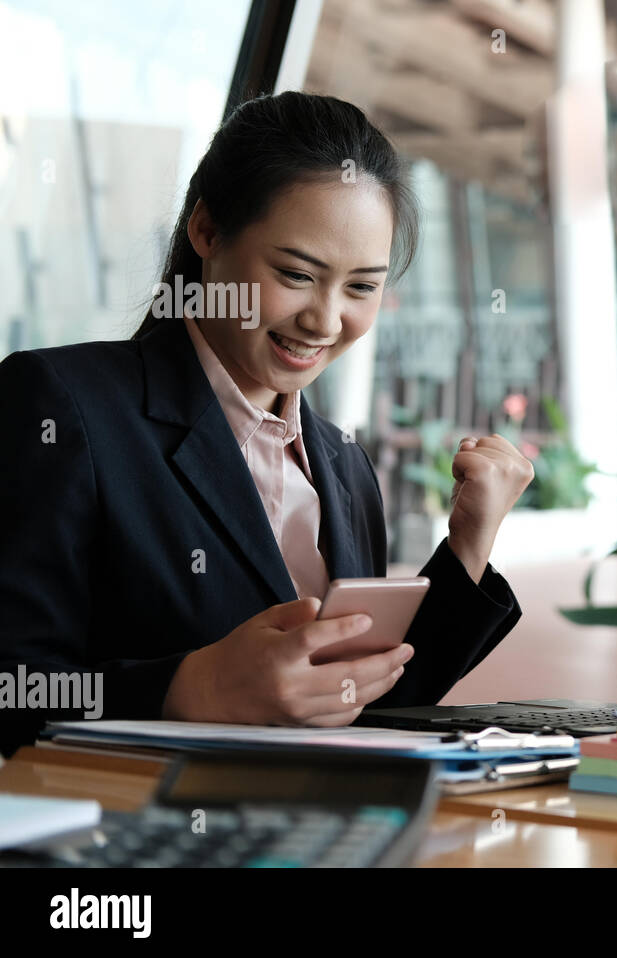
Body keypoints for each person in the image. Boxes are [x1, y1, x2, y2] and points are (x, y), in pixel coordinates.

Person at [0, 92, 534, 756]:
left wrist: (468, 544)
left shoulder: (343, 465)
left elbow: (359, 709)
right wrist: (183, 690)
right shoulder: (62, 406)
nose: (325, 319)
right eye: (296, 274)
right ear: (207, 231)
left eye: (362, 287)